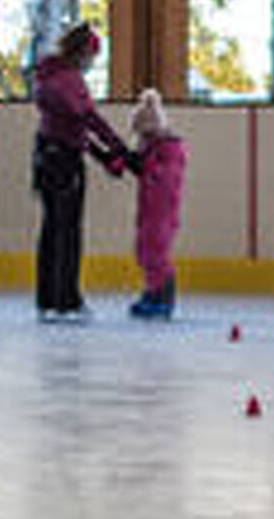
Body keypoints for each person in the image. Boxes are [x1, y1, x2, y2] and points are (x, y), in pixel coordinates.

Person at [29, 21, 128, 319]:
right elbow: (88, 119)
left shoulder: (47, 75)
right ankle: (67, 302)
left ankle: (46, 301)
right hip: (64, 162)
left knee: (51, 228)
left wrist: (103, 156)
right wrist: (118, 149)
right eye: (92, 57)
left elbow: (71, 127)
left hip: (44, 157)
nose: (91, 64)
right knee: (68, 231)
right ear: (83, 52)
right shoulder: (69, 80)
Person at [113, 87, 189, 320]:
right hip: (149, 209)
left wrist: (142, 166)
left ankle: (163, 298)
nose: (141, 142)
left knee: (157, 253)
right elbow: (143, 169)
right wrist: (126, 162)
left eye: (143, 136)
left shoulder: (171, 149)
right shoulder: (152, 148)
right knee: (144, 251)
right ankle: (151, 292)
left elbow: (165, 178)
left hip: (163, 212)